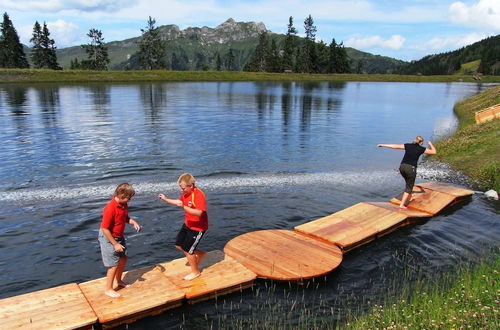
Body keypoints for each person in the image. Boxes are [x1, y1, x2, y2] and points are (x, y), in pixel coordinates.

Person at [158, 173, 208, 281]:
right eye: (181, 188)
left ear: (191, 185)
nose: (182, 190)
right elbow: (178, 202)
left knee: (188, 250)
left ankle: (195, 272)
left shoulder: (199, 195)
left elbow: (199, 213)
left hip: (198, 228)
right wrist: (165, 199)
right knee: (179, 245)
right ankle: (201, 254)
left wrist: (184, 207)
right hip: (188, 224)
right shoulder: (186, 193)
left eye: (184, 188)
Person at [98, 183, 141, 298]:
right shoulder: (110, 208)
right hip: (109, 238)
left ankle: (119, 281)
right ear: (121, 195)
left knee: (123, 259)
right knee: (113, 265)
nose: (130, 200)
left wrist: (133, 222)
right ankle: (108, 289)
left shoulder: (124, 204)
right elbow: (105, 229)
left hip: (118, 236)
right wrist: (115, 244)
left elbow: (124, 217)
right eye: (128, 197)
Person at [377, 136, 437, 209]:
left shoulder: (408, 145)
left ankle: (408, 193)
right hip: (410, 169)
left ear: (414, 140)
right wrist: (430, 144)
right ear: (421, 143)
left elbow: (395, 146)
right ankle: (402, 205)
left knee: (408, 182)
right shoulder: (421, 149)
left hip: (402, 167)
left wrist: (383, 145)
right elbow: (434, 152)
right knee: (409, 187)